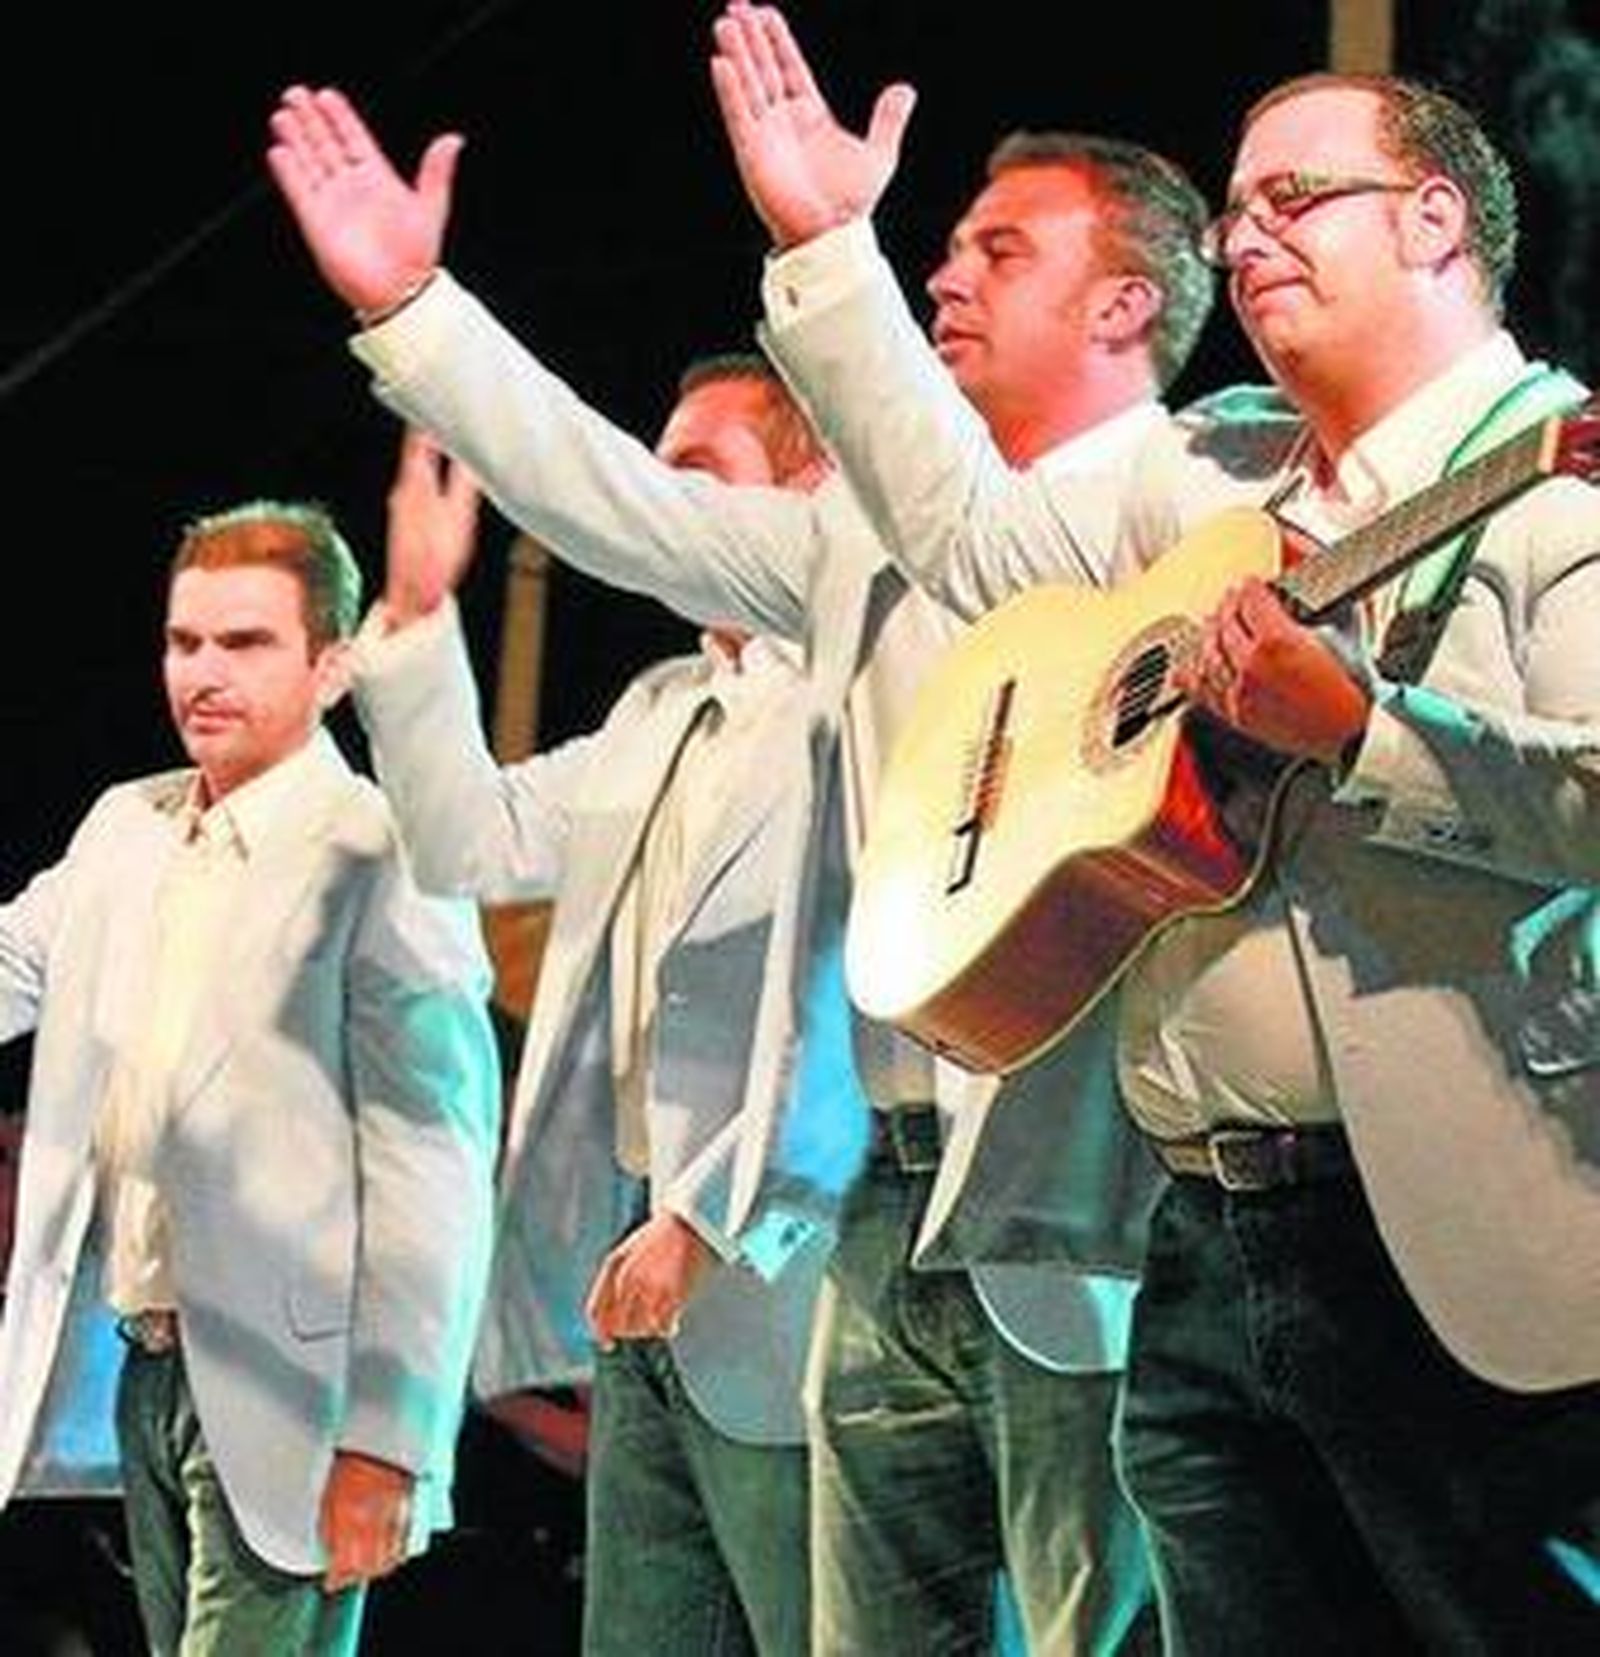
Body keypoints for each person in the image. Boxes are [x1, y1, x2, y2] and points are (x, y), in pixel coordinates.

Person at [264, 72, 1216, 1651]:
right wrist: (418, 312)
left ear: (1125, 304)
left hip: (1088, 1194)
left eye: (1000, 249)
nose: (948, 273)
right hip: (878, 1209)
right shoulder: (855, 546)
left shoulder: (1194, 496)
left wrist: (828, 249)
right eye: (949, 247)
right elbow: (622, 504)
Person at [710, 6, 1600, 1649]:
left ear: (1434, 220)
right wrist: (832, 252)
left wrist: (1369, 735)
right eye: (1235, 210)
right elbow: (970, 542)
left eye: (1293, 199)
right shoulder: (1203, 485)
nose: (1245, 237)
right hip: (1202, 1245)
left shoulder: (1560, 476)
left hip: (1460, 1252)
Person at [353, 366, 842, 1657]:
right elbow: (466, 837)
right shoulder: (658, 711)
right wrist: (414, 615)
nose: (654, 502)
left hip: (791, 1248)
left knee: (816, 1627)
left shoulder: (854, 697)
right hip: (636, 1265)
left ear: (813, 488)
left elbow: (853, 985)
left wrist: (718, 1214)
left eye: (698, 474)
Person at [0, 500, 501, 1656]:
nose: (203, 673)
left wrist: (391, 1434)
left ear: (331, 666)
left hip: (304, 1390)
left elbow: (436, 1162)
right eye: (185, 643)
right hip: (148, 1367)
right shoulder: (126, 827)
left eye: (246, 643)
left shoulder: (383, 851)